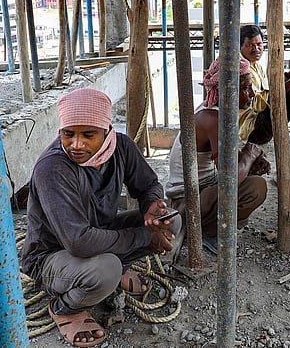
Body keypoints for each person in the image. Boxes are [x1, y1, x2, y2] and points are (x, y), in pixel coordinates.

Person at [21, 88, 181, 347]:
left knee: (171, 220)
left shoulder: (121, 147)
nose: (76, 144)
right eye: (68, 134)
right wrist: (143, 236)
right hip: (51, 256)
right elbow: (79, 242)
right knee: (107, 269)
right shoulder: (53, 168)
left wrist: (152, 207)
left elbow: (148, 183)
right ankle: (65, 309)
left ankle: (115, 275)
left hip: (98, 233)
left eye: (88, 135)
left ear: (107, 132)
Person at [166, 57, 270, 253]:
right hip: (186, 202)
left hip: (200, 191)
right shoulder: (213, 119)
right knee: (257, 187)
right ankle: (207, 232)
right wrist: (248, 156)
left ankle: (207, 227)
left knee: (251, 177)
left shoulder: (215, 112)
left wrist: (250, 159)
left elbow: (227, 159)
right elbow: (229, 179)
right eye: (246, 88)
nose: (252, 93)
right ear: (228, 92)